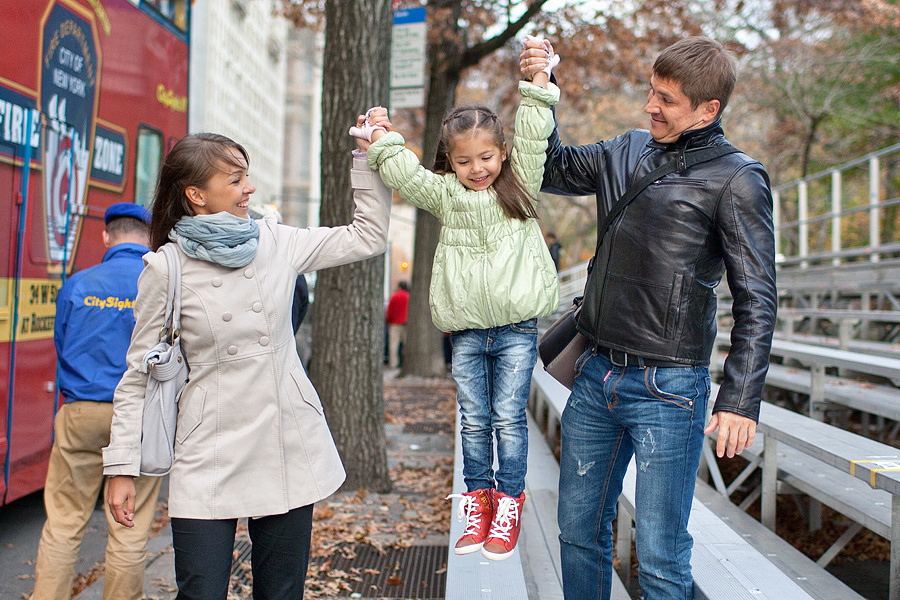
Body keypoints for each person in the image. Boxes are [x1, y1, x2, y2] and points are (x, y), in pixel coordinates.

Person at [520, 36, 777, 599]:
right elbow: (549, 167)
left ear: (709, 110)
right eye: (650, 92)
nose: (650, 107)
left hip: (670, 386)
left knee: (661, 558)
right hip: (595, 374)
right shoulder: (627, 149)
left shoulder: (738, 178)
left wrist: (739, 399)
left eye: (667, 99)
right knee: (578, 534)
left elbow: (757, 295)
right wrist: (541, 93)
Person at [103, 127, 391, 599]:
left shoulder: (275, 242)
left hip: (283, 441)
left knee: (280, 592)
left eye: (247, 177)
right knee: (200, 591)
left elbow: (369, 236)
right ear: (196, 194)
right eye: (235, 180)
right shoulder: (166, 268)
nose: (249, 189)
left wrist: (370, 157)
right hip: (206, 450)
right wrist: (121, 468)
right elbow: (139, 376)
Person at [352, 39, 560, 561]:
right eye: (465, 160)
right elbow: (404, 173)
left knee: (508, 416)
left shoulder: (521, 188)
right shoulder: (446, 196)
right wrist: (381, 138)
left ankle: (509, 502)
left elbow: (535, 137)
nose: (477, 168)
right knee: (472, 418)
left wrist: (536, 84)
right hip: (467, 331)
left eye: (486, 157)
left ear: (502, 154)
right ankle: (477, 500)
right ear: (452, 161)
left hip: (515, 329)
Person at [33, 203, 161, 600]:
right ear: (148, 237)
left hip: (80, 411)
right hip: (137, 417)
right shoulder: (157, 282)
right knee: (130, 525)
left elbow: (62, 344)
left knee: (64, 520)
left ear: (107, 237)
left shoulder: (78, 283)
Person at [385, 280, 410, 368]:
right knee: (406, 344)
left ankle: (393, 364)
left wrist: (388, 320)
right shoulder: (409, 297)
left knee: (393, 345)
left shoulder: (394, 296)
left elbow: (389, 311)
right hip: (406, 324)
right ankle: (406, 363)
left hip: (394, 323)